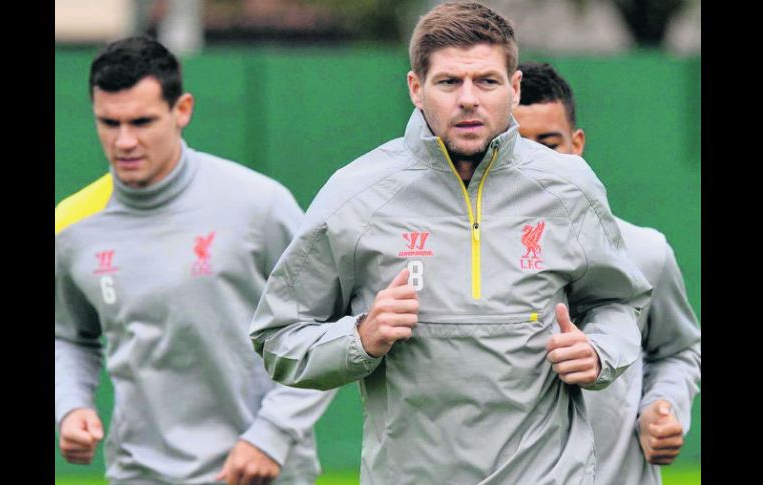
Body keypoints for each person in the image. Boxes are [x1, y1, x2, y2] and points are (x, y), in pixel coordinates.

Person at [249, 2, 652, 483]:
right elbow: (278, 337)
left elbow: (619, 302)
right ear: (416, 89)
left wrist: (599, 351)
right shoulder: (355, 194)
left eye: (486, 81)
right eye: (448, 82)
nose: (468, 99)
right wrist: (359, 338)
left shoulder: (568, 186)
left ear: (514, 87)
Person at [54, 36, 334, 485]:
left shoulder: (258, 205)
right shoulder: (71, 226)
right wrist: (71, 406)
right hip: (138, 473)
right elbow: (68, 336)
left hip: (260, 471)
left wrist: (273, 435)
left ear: (182, 110)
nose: (124, 140)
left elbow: (325, 325)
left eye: (141, 121)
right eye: (109, 123)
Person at [513, 60, 701, 485]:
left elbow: (677, 350)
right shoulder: (464, 262)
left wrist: (662, 407)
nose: (535, 163)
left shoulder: (645, 252)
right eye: (518, 147)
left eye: (549, 144)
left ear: (577, 144)